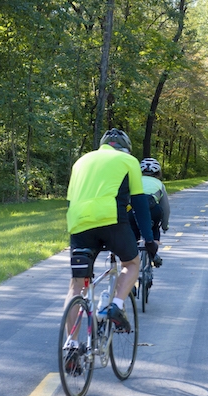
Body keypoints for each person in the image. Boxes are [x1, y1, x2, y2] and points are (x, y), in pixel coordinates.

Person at [65, 128, 157, 340]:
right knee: (131, 264)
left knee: (77, 284)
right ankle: (115, 305)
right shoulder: (128, 160)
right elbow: (139, 201)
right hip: (112, 221)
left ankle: (71, 345)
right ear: (126, 148)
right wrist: (149, 239)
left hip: (78, 224)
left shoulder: (81, 161)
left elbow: (71, 200)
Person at [132, 157, 170, 268]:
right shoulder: (159, 184)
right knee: (154, 229)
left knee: (133, 231)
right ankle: (154, 254)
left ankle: (131, 259)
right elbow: (165, 208)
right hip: (152, 210)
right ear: (158, 172)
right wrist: (164, 225)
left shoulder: (134, 182)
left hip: (133, 209)